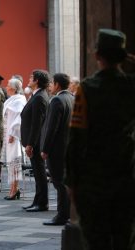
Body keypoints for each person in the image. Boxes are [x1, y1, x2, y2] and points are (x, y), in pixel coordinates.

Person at [66, 29, 135, 250]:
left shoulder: (87, 88)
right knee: (123, 239)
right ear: (123, 56)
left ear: (97, 55)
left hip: (92, 178)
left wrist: (72, 180)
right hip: (125, 175)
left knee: (96, 241)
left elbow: (76, 138)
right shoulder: (131, 86)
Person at [40, 73, 74, 225]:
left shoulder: (57, 100)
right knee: (64, 182)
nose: (50, 86)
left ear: (58, 85)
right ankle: (68, 213)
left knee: (58, 182)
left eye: (52, 83)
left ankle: (62, 215)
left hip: (56, 149)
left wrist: (45, 149)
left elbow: (51, 128)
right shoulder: (72, 98)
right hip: (68, 147)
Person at [20, 69, 50, 212]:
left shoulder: (39, 97)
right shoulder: (36, 95)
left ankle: (42, 202)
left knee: (39, 172)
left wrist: (30, 144)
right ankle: (37, 200)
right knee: (37, 172)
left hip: (36, 142)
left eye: (31, 77)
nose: (29, 79)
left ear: (37, 80)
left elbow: (37, 123)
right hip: (34, 141)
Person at [1, 77, 26, 200]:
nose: (6, 87)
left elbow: (19, 119)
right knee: (10, 163)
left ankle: (15, 189)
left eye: (8, 85)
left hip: (14, 136)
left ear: (14, 88)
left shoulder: (20, 100)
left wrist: (12, 133)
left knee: (14, 163)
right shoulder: (11, 99)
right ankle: (12, 188)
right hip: (8, 135)